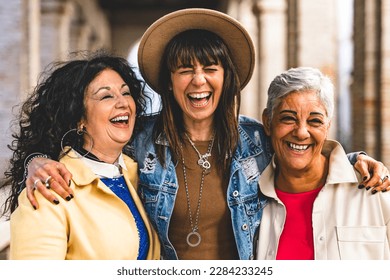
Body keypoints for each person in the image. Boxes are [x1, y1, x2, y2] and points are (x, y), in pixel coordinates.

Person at [19, 9, 389, 260]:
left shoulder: (255, 140)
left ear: (225, 77)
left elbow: (305, 151)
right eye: (184, 69)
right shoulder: (140, 138)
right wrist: (36, 161)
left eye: (210, 67)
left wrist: (357, 162)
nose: (198, 80)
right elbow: (81, 147)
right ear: (169, 81)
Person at [0, 52, 160, 259]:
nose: (123, 103)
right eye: (106, 96)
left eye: (126, 93)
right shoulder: (48, 192)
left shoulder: (140, 173)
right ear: (78, 118)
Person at [256, 67, 390, 260]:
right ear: (268, 122)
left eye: (315, 121)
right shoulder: (249, 202)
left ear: (328, 126)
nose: (301, 132)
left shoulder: (375, 191)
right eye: (288, 118)